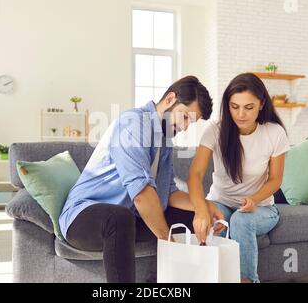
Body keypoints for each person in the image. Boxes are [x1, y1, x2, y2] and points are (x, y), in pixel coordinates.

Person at [59, 75, 220, 283]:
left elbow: (169, 193)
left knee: (191, 221)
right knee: (118, 218)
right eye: (186, 117)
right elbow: (142, 195)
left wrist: (203, 207)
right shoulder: (133, 124)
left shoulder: (165, 140)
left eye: (192, 122)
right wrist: (166, 238)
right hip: (83, 218)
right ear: (170, 99)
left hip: (128, 218)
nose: (186, 127)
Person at [188, 72, 290, 283]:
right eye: (235, 107)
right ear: (228, 105)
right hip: (221, 202)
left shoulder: (274, 133)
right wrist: (201, 210)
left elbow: (276, 179)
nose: (241, 114)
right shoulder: (215, 131)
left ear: (261, 104)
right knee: (219, 222)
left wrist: (254, 199)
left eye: (249, 107)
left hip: (261, 207)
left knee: (241, 221)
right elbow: (195, 174)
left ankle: (247, 280)